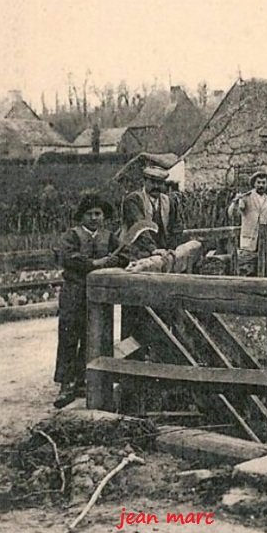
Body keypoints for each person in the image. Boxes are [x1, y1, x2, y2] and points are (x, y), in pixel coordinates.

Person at [54, 194, 127, 408]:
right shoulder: (72, 235)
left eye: (98, 214)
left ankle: (84, 380)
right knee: (69, 335)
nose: (94, 218)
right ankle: (66, 384)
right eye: (90, 214)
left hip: (98, 297)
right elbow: (67, 257)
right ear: (82, 216)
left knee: (93, 337)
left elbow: (125, 255)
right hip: (74, 292)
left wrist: (115, 260)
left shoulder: (110, 237)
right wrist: (95, 263)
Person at [120, 166, 183, 258]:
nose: (156, 186)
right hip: (136, 251)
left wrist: (171, 248)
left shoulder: (169, 201)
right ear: (145, 182)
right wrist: (152, 249)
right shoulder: (134, 200)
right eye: (152, 182)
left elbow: (176, 227)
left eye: (160, 183)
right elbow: (140, 227)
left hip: (162, 252)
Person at [228, 170, 267, 276]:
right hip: (248, 242)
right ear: (254, 183)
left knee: (265, 271)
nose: (261, 185)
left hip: (264, 243)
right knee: (246, 271)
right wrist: (235, 202)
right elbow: (233, 214)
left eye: (263, 183)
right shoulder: (246, 198)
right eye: (258, 182)